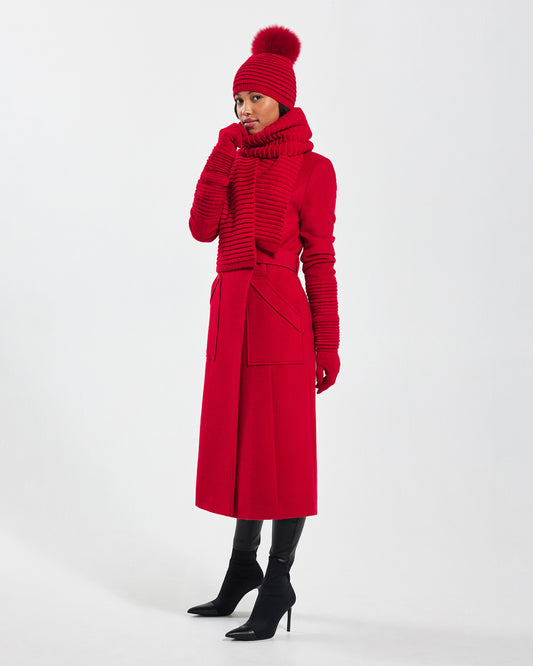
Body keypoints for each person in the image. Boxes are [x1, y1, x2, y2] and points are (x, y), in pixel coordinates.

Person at [186, 25, 340, 641]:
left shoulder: (314, 169)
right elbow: (201, 229)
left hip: (280, 320)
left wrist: (327, 343)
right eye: (237, 100)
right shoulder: (232, 159)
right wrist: (221, 157)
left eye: (254, 98)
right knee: (243, 448)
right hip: (231, 316)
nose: (244, 109)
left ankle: (277, 581)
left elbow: (320, 259)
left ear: (282, 100)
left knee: (285, 455)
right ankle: (241, 567)